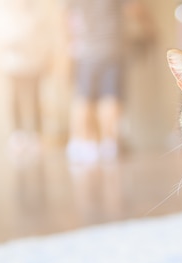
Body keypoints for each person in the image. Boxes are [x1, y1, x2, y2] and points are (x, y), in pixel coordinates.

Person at [64, 0, 153, 164]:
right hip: (112, 48)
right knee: (111, 96)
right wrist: (149, 29)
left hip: (84, 50)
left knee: (83, 97)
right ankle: (109, 143)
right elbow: (134, 8)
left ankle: (84, 143)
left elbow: (68, 18)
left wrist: (68, 46)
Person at [0, 0, 52, 158]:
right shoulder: (3, 15)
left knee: (35, 100)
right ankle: (18, 136)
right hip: (12, 65)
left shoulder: (36, 14)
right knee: (15, 100)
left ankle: (36, 135)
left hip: (33, 63)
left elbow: (44, 38)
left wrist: (43, 56)